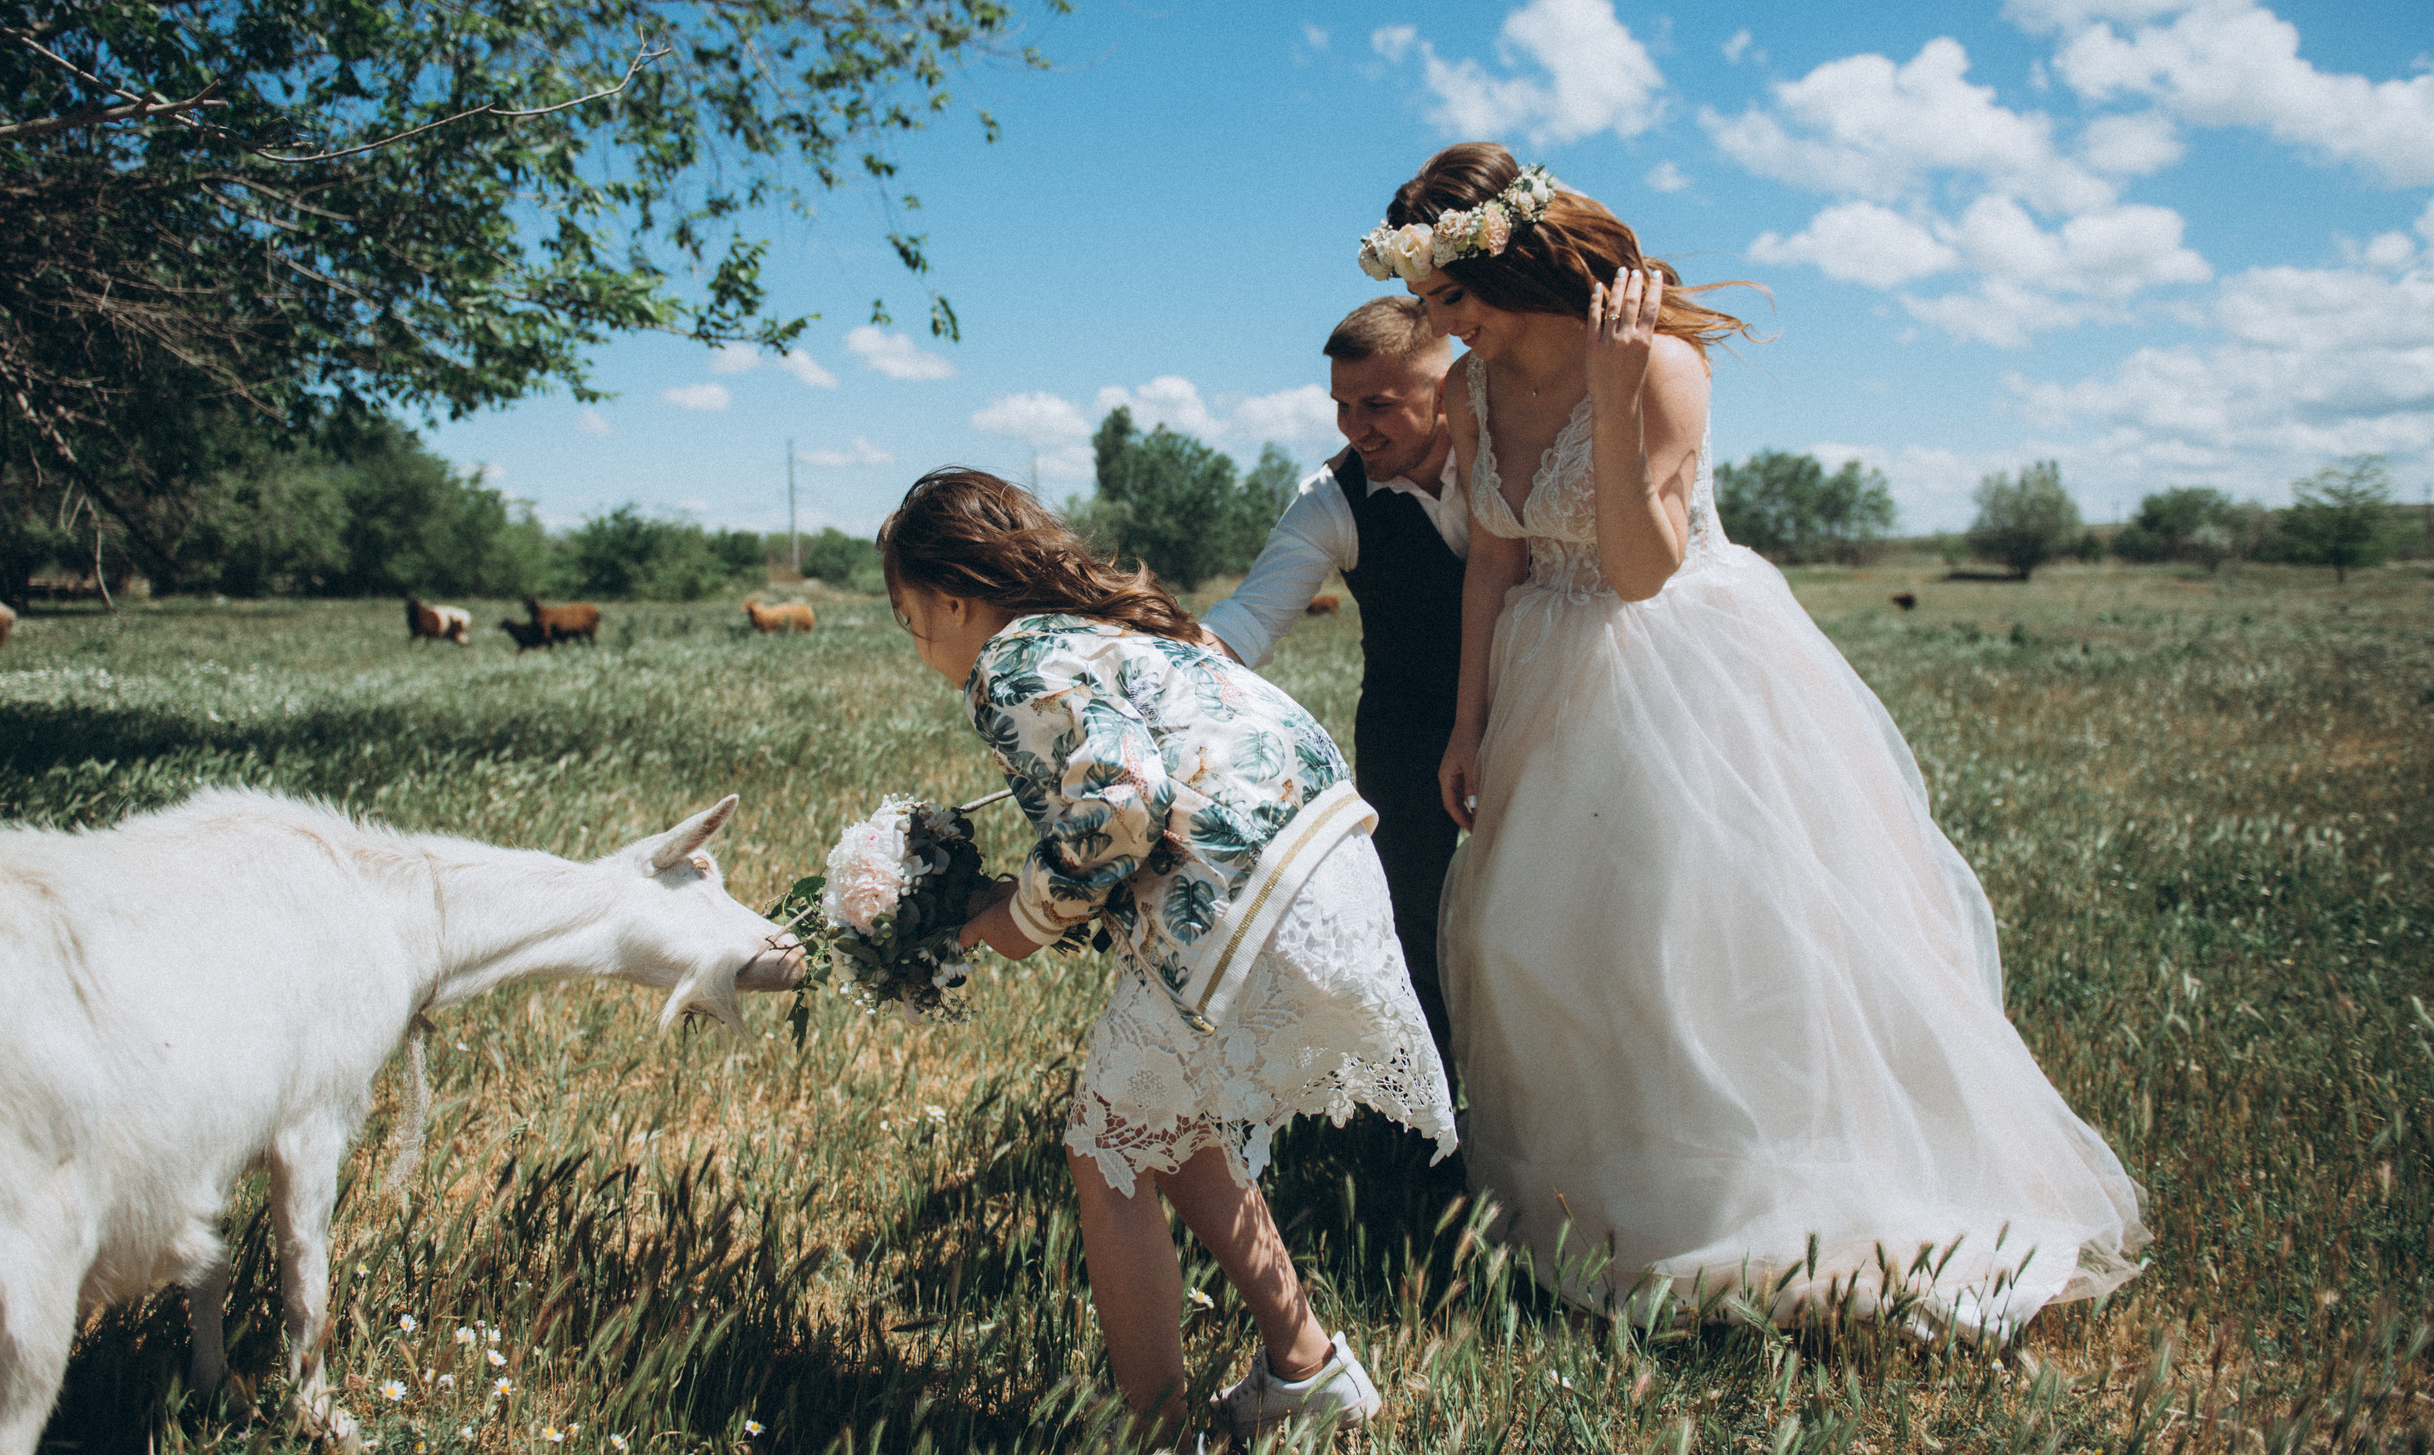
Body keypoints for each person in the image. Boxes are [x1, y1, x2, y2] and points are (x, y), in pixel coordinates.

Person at [1358, 144, 2145, 1335]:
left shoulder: (1660, 365)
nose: (1434, 317)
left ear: (1515, 264)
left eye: (1449, 292)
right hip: (1540, 678)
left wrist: (1615, 402)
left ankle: (1757, 1206)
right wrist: (1466, 720)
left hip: (1684, 668)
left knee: (1698, 942)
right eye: (1425, 294)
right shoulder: (1468, 391)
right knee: (1546, 943)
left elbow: (1637, 569)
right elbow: (1499, 561)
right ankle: (1590, 1209)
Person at [880, 468, 1454, 1445]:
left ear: (951, 596)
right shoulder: (1111, 628)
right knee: (1173, 1132)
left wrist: (1014, 917)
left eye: (907, 618)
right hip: (1329, 874)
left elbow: (1118, 798)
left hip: (1245, 899)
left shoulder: (1012, 658)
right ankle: (1307, 1367)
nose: (917, 644)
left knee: (1102, 1154)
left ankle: (1154, 1430)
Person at [1204, 295, 1465, 1056]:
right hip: (1406, 718)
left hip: (1533, 702)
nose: (1355, 427)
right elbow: (1249, 619)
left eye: (1378, 404)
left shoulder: (1509, 458)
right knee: (1408, 904)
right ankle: (1428, 1109)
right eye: (1343, 405)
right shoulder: (1330, 498)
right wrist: (1165, 667)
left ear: (1443, 393)